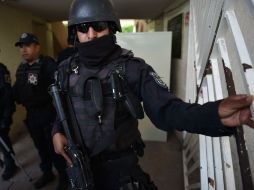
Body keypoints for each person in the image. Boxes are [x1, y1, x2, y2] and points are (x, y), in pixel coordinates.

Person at [52, 0, 254, 189]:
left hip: (120, 170)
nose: (91, 34)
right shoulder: (65, 70)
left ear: (111, 28)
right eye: (82, 27)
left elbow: (168, 111)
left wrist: (214, 113)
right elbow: (62, 107)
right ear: (74, 33)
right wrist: (56, 130)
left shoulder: (131, 69)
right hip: (78, 166)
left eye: (98, 25)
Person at [13, 33, 68, 190]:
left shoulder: (48, 65)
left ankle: (64, 177)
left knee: (54, 149)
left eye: (27, 46)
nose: (24, 50)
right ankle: (47, 173)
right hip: (32, 115)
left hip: (48, 114)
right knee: (41, 148)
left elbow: (58, 91)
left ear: (37, 47)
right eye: (21, 47)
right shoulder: (22, 68)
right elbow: (17, 90)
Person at [0, 63, 17, 180]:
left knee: (3, 139)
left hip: (2, 113)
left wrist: (6, 118)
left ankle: (10, 164)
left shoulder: (1, 70)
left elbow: (7, 94)